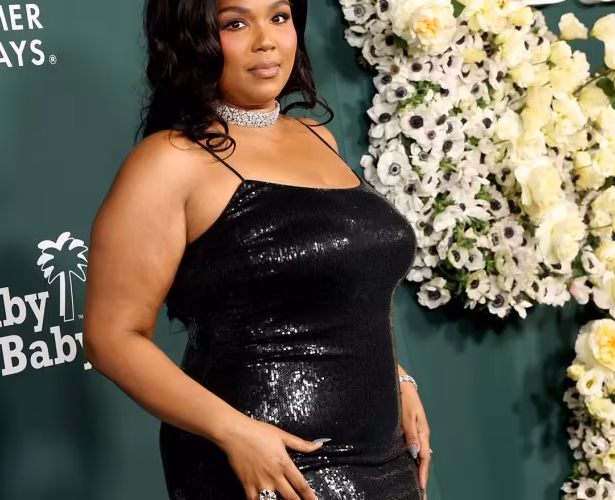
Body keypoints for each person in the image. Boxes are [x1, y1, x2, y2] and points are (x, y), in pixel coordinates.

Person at [81, 0, 432, 498]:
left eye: (279, 17)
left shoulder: (317, 137)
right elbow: (110, 337)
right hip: (266, 464)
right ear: (193, 38)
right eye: (236, 22)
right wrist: (234, 431)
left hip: (382, 456)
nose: (265, 40)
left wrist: (399, 379)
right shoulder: (168, 162)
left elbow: (333, 294)